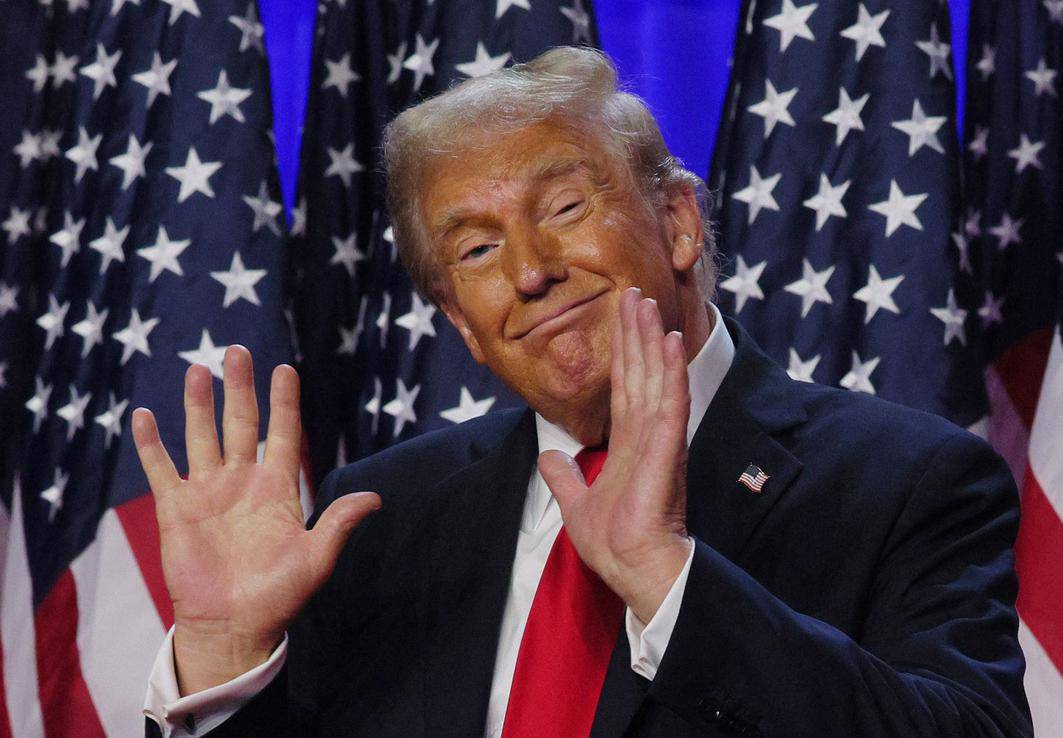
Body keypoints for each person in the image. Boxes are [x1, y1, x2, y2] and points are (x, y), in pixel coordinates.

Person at [137, 47, 1031, 737]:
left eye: (564, 209)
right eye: (476, 251)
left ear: (678, 222)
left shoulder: (909, 481)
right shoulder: (382, 517)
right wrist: (224, 651)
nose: (529, 272)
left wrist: (664, 577)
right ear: (457, 320)